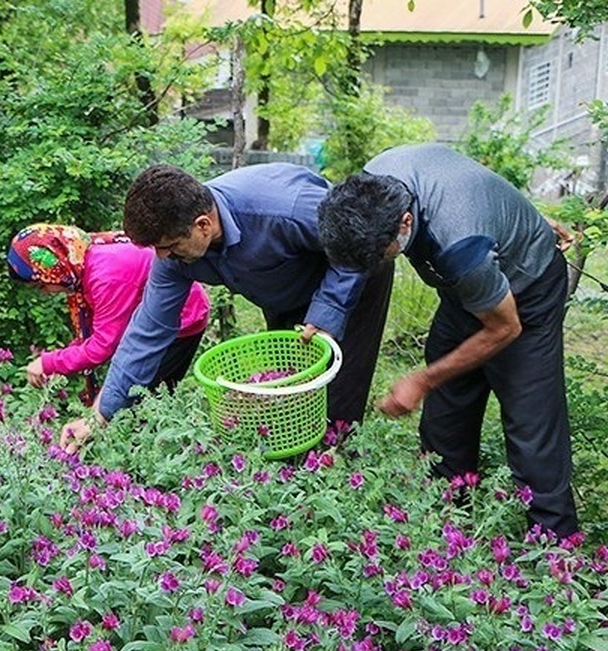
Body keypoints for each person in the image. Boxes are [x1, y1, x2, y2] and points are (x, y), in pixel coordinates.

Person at [316, 143, 578, 538]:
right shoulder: (375, 178)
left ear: (405, 222)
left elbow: (504, 328)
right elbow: (470, 177)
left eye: (380, 255)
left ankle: (557, 550)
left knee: (531, 429)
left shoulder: (459, 243)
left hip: (526, 296)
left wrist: (422, 380)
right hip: (464, 294)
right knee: (445, 417)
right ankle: (446, 529)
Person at [60, 163, 395, 451]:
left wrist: (329, 309)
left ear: (203, 225)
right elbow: (148, 332)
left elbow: (361, 237)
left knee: (334, 396)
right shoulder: (174, 257)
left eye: (170, 247)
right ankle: (297, 474)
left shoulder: (283, 209)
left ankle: (338, 472)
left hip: (352, 269)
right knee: (289, 395)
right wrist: (100, 414)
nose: (163, 258)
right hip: (285, 287)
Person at [8, 224, 211, 404]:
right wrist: (52, 363)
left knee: (144, 402)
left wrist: (49, 362)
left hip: (180, 321)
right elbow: (92, 335)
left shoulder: (104, 277)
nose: (44, 292)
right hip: (156, 317)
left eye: (41, 284)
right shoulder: (81, 260)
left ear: (54, 267)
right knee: (132, 398)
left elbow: (102, 346)